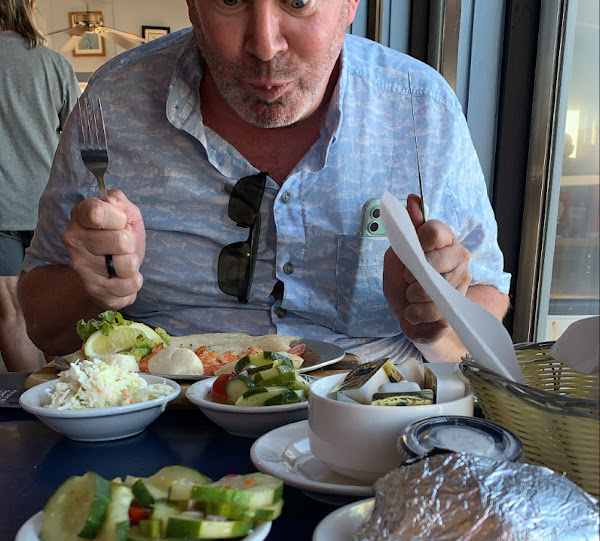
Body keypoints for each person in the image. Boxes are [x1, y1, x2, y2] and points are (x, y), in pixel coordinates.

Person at [18, 0, 510, 365]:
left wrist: (439, 317)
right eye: (230, 0)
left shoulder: (420, 105)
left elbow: (486, 295)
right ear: (192, 5)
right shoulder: (112, 102)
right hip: (160, 422)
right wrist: (98, 287)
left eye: (297, 1)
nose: (265, 44)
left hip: (374, 422)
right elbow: (45, 328)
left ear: (349, 4)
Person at [0, 0, 80, 371]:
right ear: (30, 5)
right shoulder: (54, 63)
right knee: (55, 320)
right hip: (50, 207)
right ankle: (73, 401)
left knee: (12, 315)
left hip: (1, 210)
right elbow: (77, 140)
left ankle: (30, 413)